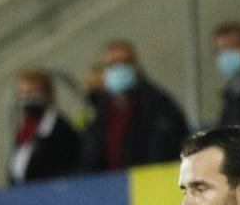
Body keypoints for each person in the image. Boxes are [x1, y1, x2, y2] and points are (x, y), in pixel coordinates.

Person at [79, 41, 189, 173]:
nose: (119, 69)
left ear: (135, 65)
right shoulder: (100, 111)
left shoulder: (158, 104)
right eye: (112, 64)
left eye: (124, 62)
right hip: (109, 186)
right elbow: (90, 155)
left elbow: (165, 149)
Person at [9, 69, 80, 185]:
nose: (26, 98)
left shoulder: (59, 128)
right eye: (22, 92)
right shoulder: (23, 129)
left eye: (31, 92)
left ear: (46, 93)